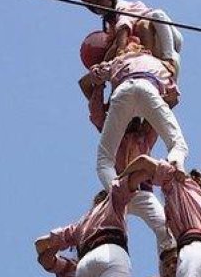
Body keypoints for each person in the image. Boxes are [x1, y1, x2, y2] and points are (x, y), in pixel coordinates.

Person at [80, 36, 188, 190]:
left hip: (123, 90)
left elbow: (92, 77)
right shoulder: (158, 64)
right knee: (177, 143)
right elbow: (174, 97)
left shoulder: (119, 61)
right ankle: (175, 164)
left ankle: (115, 192)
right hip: (148, 87)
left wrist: (102, 71)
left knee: (104, 159)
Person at [79, 0, 183, 77]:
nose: (99, 5)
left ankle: (168, 59)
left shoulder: (122, 8)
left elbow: (124, 25)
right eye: (95, 5)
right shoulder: (110, 26)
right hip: (153, 53)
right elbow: (115, 44)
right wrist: (103, 65)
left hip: (166, 38)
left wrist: (120, 51)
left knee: (155, 16)